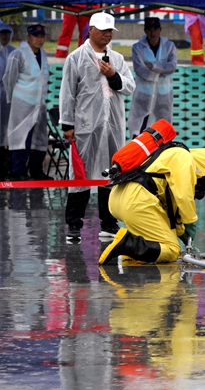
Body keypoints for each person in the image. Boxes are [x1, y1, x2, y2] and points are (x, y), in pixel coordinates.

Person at [60, 12, 136, 241]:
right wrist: (67, 124)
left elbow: (129, 86)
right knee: (81, 174)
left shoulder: (117, 59)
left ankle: (109, 223)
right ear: (90, 29)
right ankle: (74, 225)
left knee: (111, 173)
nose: (107, 34)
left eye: (110, 30)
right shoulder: (76, 58)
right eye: (102, 29)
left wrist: (114, 76)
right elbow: (67, 93)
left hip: (111, 125)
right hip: (85, 126)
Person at [99, 145, 205, 264]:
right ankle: (127, 244)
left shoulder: (166, 155)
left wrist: (182, 233)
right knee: (173, 250)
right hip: (137, 201)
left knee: (160, 239)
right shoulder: (184, 157)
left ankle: (133, 251)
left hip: (118, 199)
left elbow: (173, 211)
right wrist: (190, 221)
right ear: (204, 169)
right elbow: (183, 196)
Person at [3, 24, 50, 180]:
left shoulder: (43, 54)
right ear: (29, 37)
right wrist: (12, 101)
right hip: (22, 105)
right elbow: (9, 79)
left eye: (42, 37)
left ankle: (36, 171)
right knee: (21, 139)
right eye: (36, 37)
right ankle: (18, 172)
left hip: (39, 106)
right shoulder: (18, 54)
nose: (39, 40)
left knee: (39, 140)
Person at [128, 17, 178, 138]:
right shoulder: (138, 47)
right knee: (140, 127)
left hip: (163, 94)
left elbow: (172, 66)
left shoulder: (169, 46)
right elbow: (140, 70)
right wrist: (160, 72)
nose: (153, 32)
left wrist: (153, 66)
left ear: (160, 30)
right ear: (145, 30)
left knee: (163, 128)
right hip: (144, 94)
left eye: (155, 29)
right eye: (149, 29)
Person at [0, 21, 14, 179]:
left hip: (10, 97)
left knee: (8, 132)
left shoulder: (14, 53)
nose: (4, 37)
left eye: (6, 33)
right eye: (2, 33)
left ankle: (8, 167)